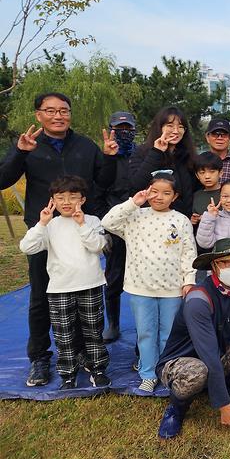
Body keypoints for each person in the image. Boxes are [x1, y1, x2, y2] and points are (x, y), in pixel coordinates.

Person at [0, 91, 118, 387]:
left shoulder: (85, 146)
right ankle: (40, 357)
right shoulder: (30, 146)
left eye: (63, 110)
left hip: (80, 228)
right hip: (46, 229)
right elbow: (3, 179)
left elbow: (103, 182)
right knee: (42, 293)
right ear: (38, 114)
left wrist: (109, 158)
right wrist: (20, 152)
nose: (58, 116)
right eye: (50, 110)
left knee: (83, 292)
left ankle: (80, 353)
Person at [156, 238, 230, 439]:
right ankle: (177, 408)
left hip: (218, 355)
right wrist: (223, 405)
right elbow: (208, 354)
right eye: (228, 262)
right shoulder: (198, 299)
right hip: (185, 361)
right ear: (215, 265)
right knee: (197, 372)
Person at [101, 172, 197, 393]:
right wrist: (133, 203)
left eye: (166, 193)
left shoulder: (180, 220)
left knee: (168, 333)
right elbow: (108, 222)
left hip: (172, 288)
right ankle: (147, 373)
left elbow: (188, 253)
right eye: (154, 191)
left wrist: (188, 280)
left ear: (175, 196)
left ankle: (167, 371)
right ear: (146, 191)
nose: (159, 197)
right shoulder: (134, 216)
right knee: (145, 332)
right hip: (140, 286)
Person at [19, 176, 110, 389]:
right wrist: (41, 223)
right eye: (60, 197)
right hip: (60, 289)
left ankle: (98, 369)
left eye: (73, 197)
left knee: (93, 331)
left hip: (91, 285)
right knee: (63, 334)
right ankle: (67, 374)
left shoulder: (93, 221)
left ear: (83, 199)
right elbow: (27, 247)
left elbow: (97, 246)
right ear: (53, 200)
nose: (66, 202)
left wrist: (81, 224)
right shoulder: (49, 225)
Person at [99, 110, 137, 342]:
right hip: (114, 225)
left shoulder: (141, 155)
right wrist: (104, 228)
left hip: (140, 224)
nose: (124, 133)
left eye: (128, 129)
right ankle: (112, 323)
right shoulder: (104, 156)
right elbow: (98, 191)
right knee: (114, 276)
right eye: (119, 128)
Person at [128, 106, 198, 218]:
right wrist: (157, 152)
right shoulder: (143, 152)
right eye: (170, 126)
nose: (175, 131)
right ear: (159, 127)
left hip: (181, 222)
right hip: (149, 220)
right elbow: (136, 185)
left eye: (180, 127)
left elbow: (194, 191)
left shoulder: (188, 156)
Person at [191, 152, 223, 233]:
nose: (207, 176)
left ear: (220, 173)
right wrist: (193, 220)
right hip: (202, 239)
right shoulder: (196, 195)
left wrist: (208, 218)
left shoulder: (228, 193)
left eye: (212, 171)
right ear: (197, 176)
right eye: (202, 173)